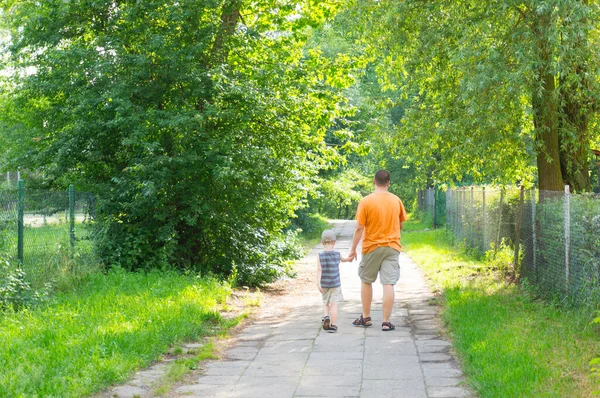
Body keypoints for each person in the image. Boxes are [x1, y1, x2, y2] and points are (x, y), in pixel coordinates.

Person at [348, 170, 407, 331]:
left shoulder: (366, 201)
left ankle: (366, 317)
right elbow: (401, 225)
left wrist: (353, 249)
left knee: (366, 280)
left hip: (371, 246)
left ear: (374, 182)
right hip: (392, 247)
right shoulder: (396, 201)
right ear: (388, 183)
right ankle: (386, 322)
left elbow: (359, 227)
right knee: (388, 283)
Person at [317, 229, 353, 333]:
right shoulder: (337, 254)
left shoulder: (319, 255)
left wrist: (318, 283)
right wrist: (351, 257)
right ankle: (333, 324)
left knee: (325, 303)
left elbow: (319, 269)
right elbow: (345, 259)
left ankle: (326, 316)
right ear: (334, 242)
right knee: (334, 304)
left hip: (324, 284)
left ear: (322, 242)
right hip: (335, 284)